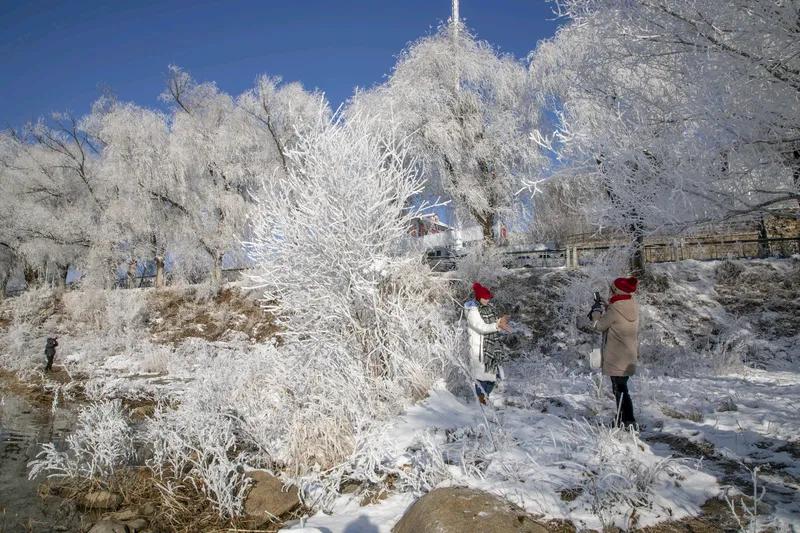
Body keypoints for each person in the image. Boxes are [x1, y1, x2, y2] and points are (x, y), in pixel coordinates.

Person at [590, 277, 640, 429]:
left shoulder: (614, 309)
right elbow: (618, 316)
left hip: (616, 356)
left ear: (616, 290)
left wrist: (596, 312)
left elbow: (598, 326)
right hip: (628, 355)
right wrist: (608, 306)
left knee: (619, 390)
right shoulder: (631, 303)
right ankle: (623, 420)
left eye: (612, 288)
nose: (610, 290)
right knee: (622, 388)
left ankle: (627, 421)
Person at [465, 282, 511, 405]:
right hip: (479, 350)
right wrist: (497, 325)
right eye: (484, 298)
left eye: (488, 298)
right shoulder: (472, 312)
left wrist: (500, 322)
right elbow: (482, 327)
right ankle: (481, 401)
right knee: (481, 378)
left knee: (491, 378)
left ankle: (485, 398)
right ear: (478, 297)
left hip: (490, 349)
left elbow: (492, 324)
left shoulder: (489, 309)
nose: (486, 300)